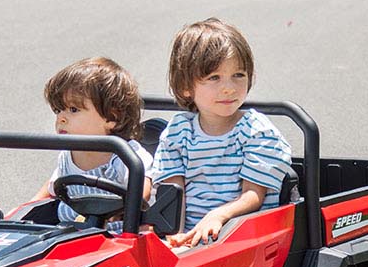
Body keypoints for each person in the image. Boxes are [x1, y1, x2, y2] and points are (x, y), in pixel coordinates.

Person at [151, 18, 292, 247]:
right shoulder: (178, 131)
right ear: (186, 87)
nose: (229, 88)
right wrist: (176, 235)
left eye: (238, 75)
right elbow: (173, 193)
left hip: (244, 239)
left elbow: (253, 196)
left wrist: (217, 216)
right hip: (192, 239)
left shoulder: (257, 131)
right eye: (214, 78)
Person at [32, 57, 153, 231]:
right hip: (70, 232)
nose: (61, 118)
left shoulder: (125, 155)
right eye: (58, 110)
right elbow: (51, 187)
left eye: (73, 109)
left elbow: (142, 190)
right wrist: (24, 209)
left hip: (116, 233)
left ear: (111, 117)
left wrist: (122, 209)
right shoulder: (67, 155)